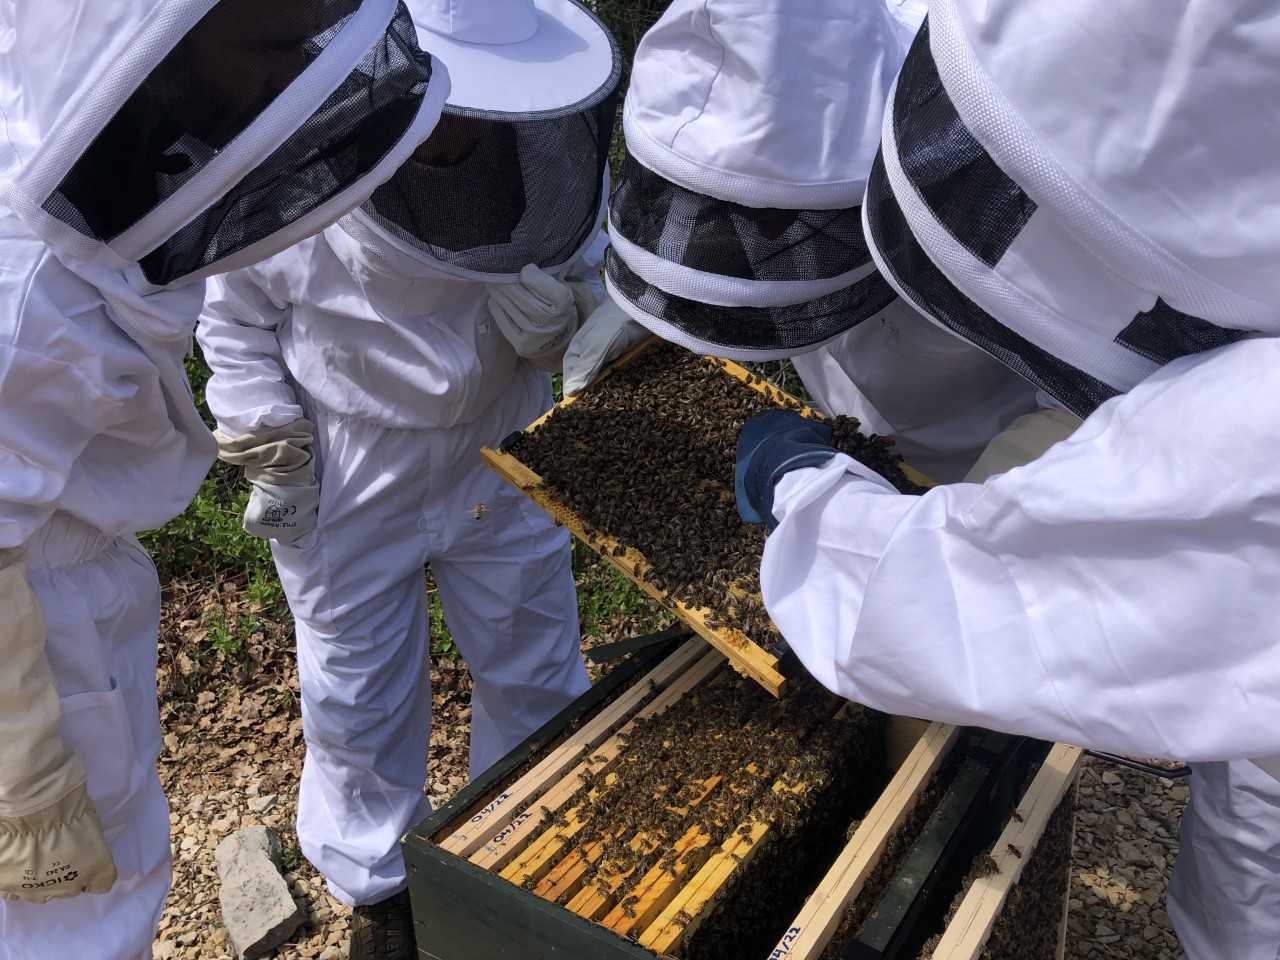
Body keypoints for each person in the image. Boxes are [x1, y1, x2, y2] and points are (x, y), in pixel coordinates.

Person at [600, 1, 1280, 958]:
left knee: (1252, 905)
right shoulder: (998, 48)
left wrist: (807, 491)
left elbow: (972, 601)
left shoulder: (1249, 444)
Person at [0, 2, 449, 958]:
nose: (299, 81)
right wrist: (23, 771)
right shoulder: (29, 295)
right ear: (147, 45)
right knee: (73, 919)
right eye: (277, 48)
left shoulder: (114, 163)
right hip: (32, 622)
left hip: (67, 576)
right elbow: (238, 329)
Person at [195, 2, 621, 955]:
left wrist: (576, 316)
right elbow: (232, 314)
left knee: (534, 653)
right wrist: (268, 438)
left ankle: (521, 848)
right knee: (357, 690)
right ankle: (379, 890)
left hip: (501, 438)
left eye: (490, 105)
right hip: (349, 460)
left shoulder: (552, 156)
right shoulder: (296, 160)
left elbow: (589, 259)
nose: (462, 128)